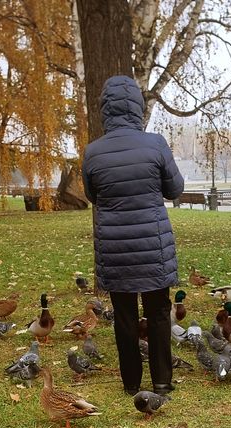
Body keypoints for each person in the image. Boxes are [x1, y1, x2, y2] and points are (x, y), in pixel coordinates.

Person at [81, 75, 184, 396]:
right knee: (158, 313)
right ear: (137, 107)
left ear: (105, 110)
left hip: (115, 247)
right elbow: (175, 188)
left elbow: (92, 196)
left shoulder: (93, 152)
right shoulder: (155, 144)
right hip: (153, 245)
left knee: (124, 315)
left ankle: (130, 383)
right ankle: (163, 382)